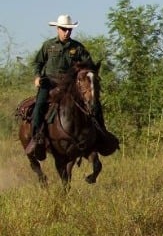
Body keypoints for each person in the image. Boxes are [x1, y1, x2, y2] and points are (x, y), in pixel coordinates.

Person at [25, 14, 115, 156]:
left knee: (93, 103)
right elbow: (38, 62)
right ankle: (37, 138)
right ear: (57, 29)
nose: (67, 32)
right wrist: (37, 77)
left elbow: (89, 64)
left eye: (69, 30)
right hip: (49, 82)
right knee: (39, 105)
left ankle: (102, 135)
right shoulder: (48, 45)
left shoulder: (77, 47)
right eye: (64, 29)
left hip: (69, 85)